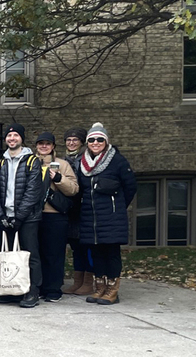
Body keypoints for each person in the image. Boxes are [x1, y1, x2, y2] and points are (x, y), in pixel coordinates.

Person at [77, 123, 136, 305]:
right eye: (92, 140)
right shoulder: (83, 163)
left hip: (111, 216)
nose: (96, 143)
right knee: (96, 253)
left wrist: (116, 206)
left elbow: (130, 186)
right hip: (90, 216)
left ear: (106, 141)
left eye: (100, 139)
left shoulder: (117, 161)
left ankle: (112, 289)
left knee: (111, 253)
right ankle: (99, 287)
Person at [0, 123, 47, 308]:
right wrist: (0, 216)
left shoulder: (32, 161)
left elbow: (33, 191)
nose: (11, 138)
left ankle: (32, 291)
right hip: (6, 216)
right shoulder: (0, 162)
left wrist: (20, 217)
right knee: (9, 255)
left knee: (30, 254)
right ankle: (11, 290)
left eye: (15, 135)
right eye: (9, 136)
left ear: (21, 138)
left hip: (28, 217)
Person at [34, 131, 79, 302]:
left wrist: (58, 178)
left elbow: (74, 189)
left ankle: (53, 288)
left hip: (55, 214)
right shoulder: (30, 163)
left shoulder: (62, 164)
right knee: (36, 253)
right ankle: (38, 286)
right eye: (40, 143)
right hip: (34, 215)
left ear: (53, 146)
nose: (44, 146)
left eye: (47, 143)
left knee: (54, 253)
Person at [62, 127, 94, 296]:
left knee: (86, 245)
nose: (71, 143)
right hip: (70, 209)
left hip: (84, 209)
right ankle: (77, 281)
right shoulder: (63, 160)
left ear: (82, 142)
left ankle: (88, 282)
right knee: (75, 247)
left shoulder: (87, 160)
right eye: (68, 140)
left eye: (75, 140)